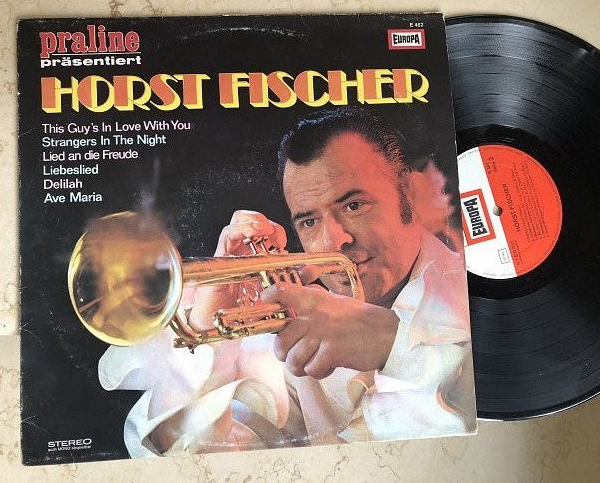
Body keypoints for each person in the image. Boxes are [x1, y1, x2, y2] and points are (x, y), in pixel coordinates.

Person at [98, 109, 476, 457]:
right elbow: (198, 459)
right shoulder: (293, 336)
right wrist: (207, 324)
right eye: (309, 221)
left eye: (354, 205)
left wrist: (391, 344)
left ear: (410, 195)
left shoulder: (477, 290)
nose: (334, 241)